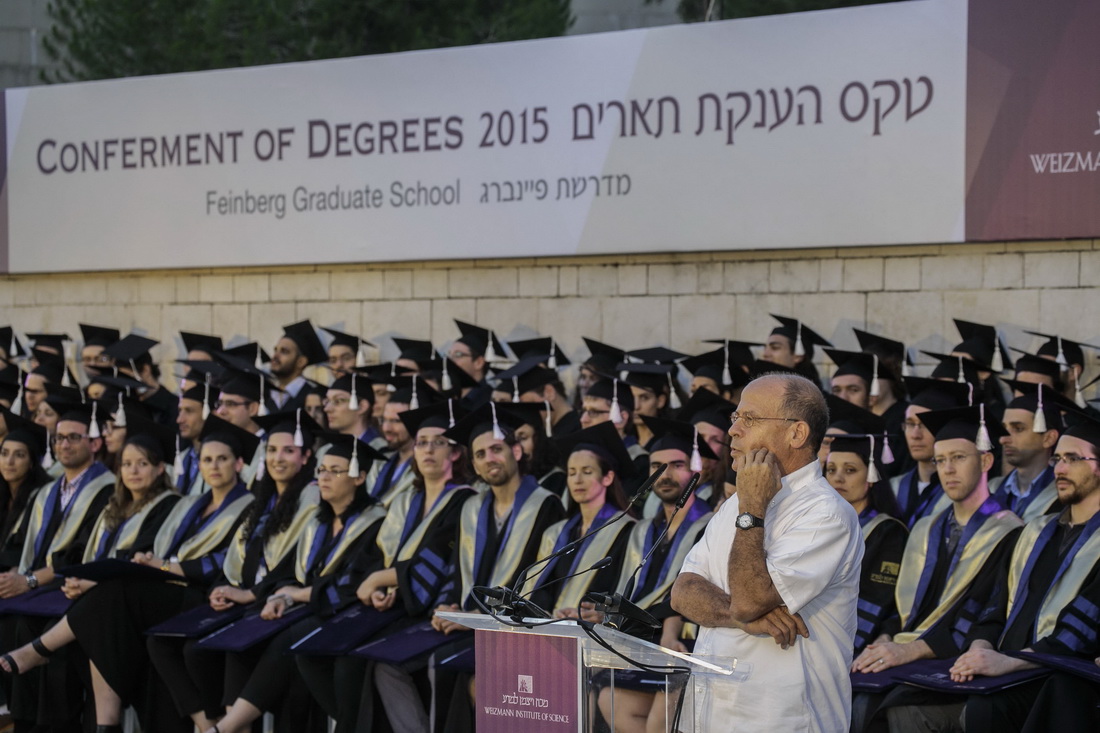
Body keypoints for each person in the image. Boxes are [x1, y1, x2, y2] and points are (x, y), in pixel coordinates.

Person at [670, 373, 863, 732]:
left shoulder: (826, 513)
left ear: (797, 433)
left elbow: (750, 600)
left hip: (781, 717)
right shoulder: (737, 502)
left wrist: (752, 510)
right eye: (735, 417)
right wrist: (741, 620)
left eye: (750, 418)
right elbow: (682, 593)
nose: (733, 430)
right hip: (711, 714)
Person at [886, 412, 1100, 733]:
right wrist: (980, 647)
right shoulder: (1035, 532)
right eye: (1057, 459)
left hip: (1056, 679)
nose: (1060, 468)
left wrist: (1010, 661)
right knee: (901, 707)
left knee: (983, 710)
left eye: (1073, 458)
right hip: (1003, 669)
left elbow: (1080, 629)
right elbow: (994, 606)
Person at [596, 418, 714, 733]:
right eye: (656, 466)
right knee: (611, 700)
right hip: (642, 642)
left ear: (696, 469)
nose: (665, 473)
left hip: (686, 641)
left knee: (659, 720)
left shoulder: (712, 526)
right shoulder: (642, 531)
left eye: (677, 465)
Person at [525, 421, 635, 616]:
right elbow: (541, 588)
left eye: (587, 472)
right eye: (572, 472)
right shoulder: (556, 533)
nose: (577, 480)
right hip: (553, 625)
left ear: (607, 478)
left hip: (594, 628)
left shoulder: (626, 531)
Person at [823, 434, 907, 654]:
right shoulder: (818, 526)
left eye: (850, 470)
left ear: (871, 476)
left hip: (847, 644)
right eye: (831, 470)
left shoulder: (888, 532)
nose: (838, 478)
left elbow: (876, 599)